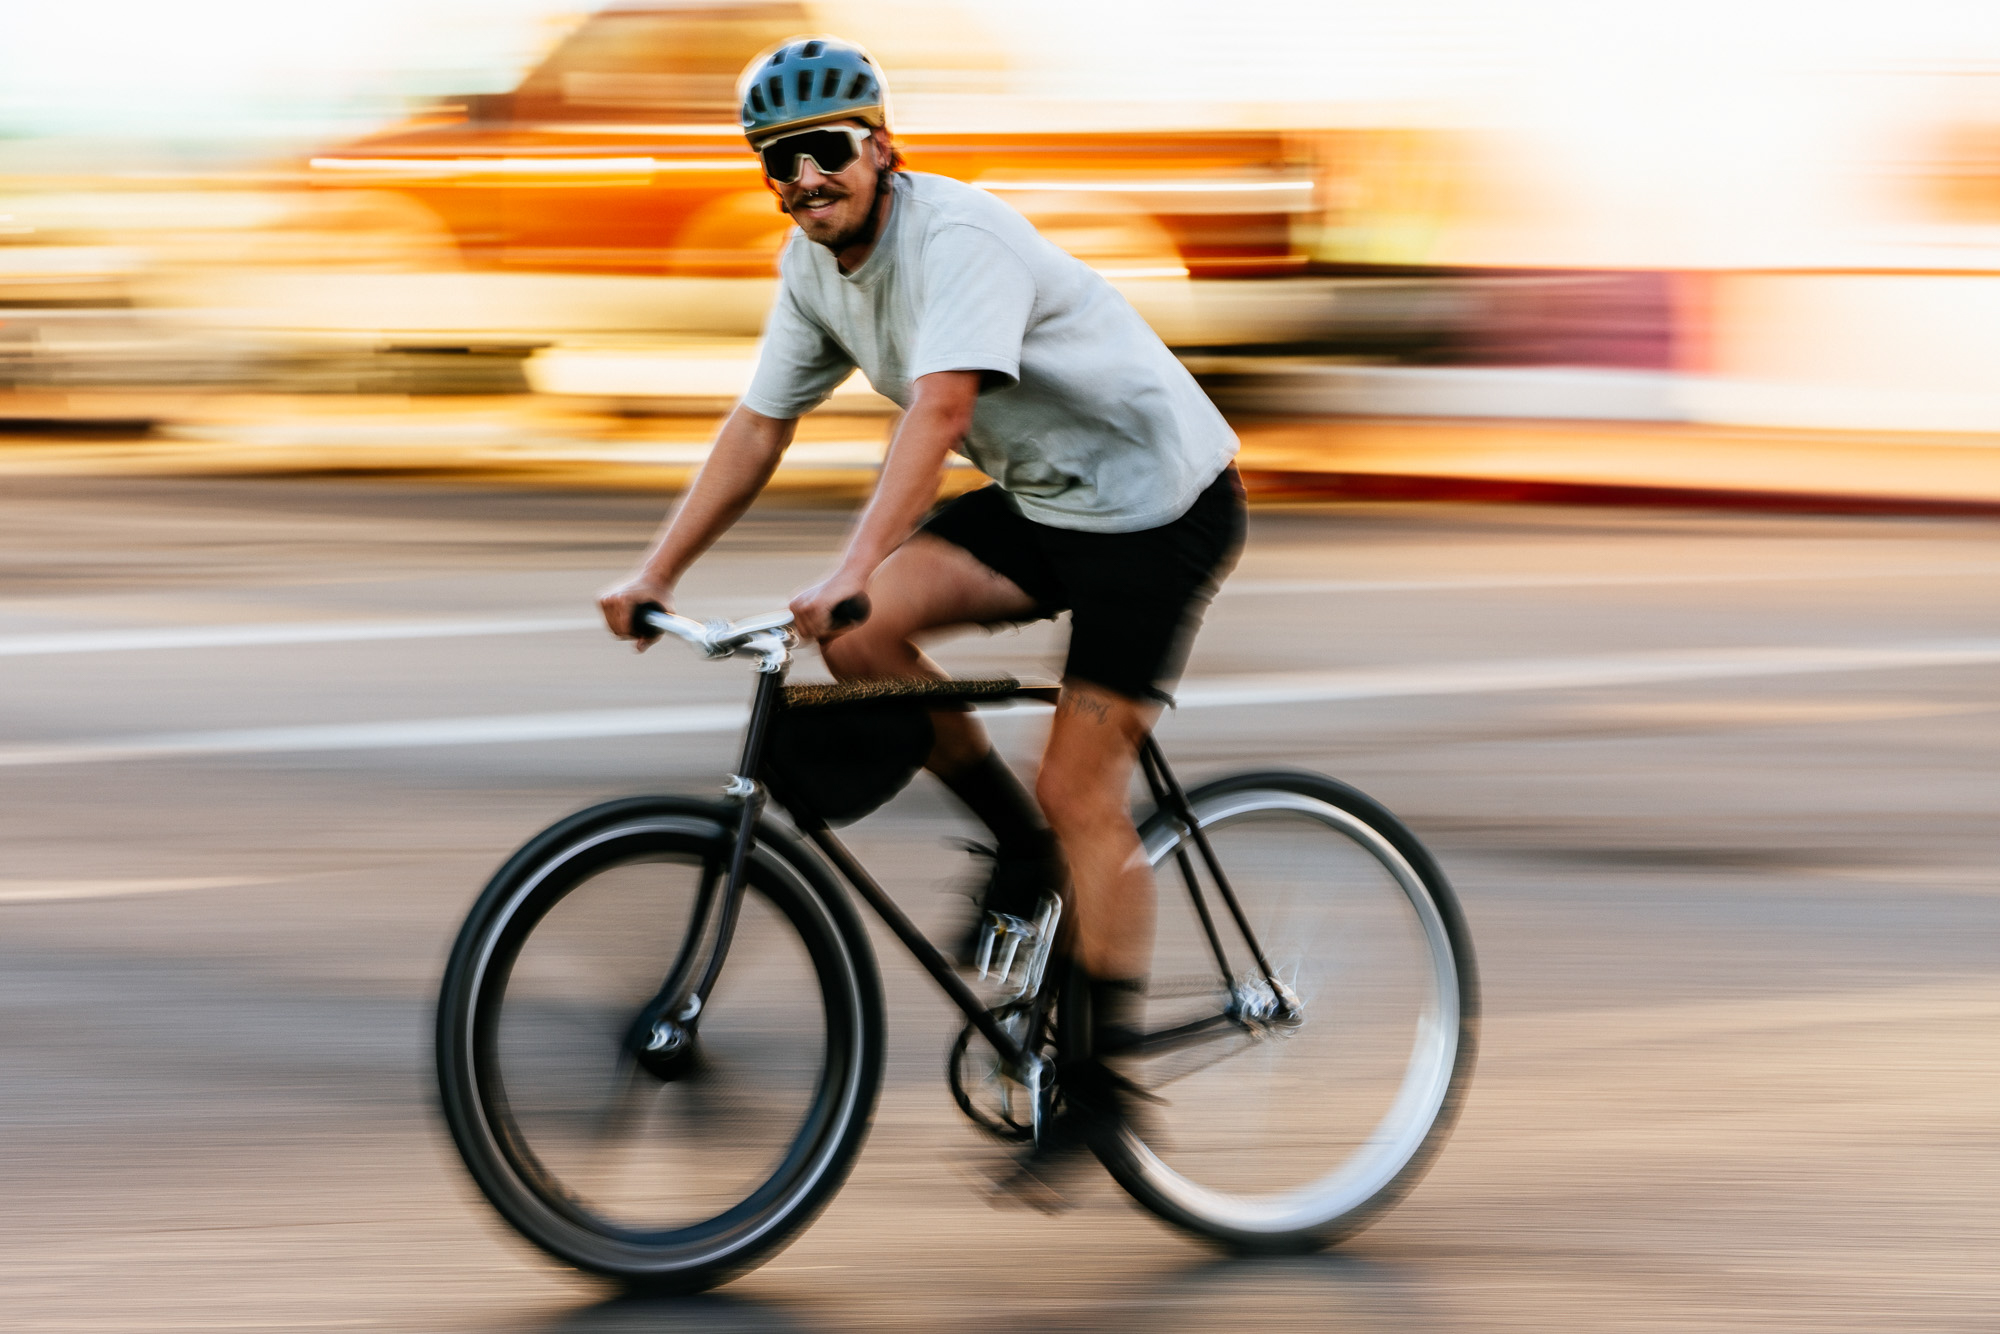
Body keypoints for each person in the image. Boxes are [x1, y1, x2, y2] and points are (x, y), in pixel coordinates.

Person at [597, 36, 1244, 1169]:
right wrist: (658, 573)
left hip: (1158, 507)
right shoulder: (810, 270)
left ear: (880, 144)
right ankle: (1020, 846)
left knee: (1079, 778)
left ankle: (1103, 1083)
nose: (803, 180)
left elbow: (939, 410)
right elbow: (758, 427)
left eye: (824, 150)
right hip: (1049, 500)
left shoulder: (959, 239)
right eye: (776, 163)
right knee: (871, 631)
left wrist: (850, 560)